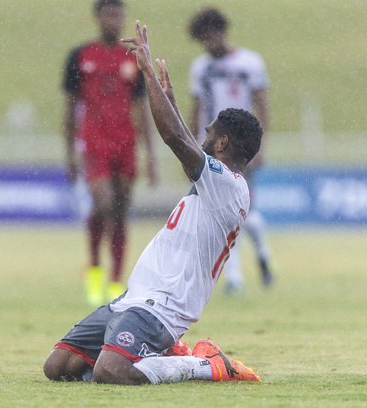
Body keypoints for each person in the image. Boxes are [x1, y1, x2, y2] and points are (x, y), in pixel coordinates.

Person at [44, 20, 262, 385]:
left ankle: (204, 365)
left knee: (110, 372)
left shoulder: (230, 186)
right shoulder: (216, 181)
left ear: (222, 143)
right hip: (134, 298)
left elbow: (176, 138)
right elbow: (184, 140)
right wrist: (172, 99)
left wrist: (145, 68)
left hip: (164, 308)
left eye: (209, 132)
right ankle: (157, 353)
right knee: (58, 367)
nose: (202, 135)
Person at [63, 0, 158, 307]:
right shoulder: (80, 56)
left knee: (120, 211)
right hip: (94, 144)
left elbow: (141, 108)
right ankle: (94, 269)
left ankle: (116, 279)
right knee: (102, 205)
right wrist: (69, 154)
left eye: (118, 15)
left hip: (125, 144)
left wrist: (151, 155)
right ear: (97, 17)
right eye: (109, 14)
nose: (114, 20)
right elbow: (69, 108)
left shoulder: (130, 58)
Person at [188, 7, 274, 294]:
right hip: (213, 149)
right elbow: (196, 109)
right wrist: (189, 145)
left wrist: (260, 145)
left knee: (245, 211)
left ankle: (262, 253)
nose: (208, 43)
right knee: (220, 212)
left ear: (222, 32)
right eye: (203, 39)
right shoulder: (200, 67)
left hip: (240, 148)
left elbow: (262, 105)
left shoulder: (249, 62)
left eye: (211, 36)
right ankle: (234, 277)